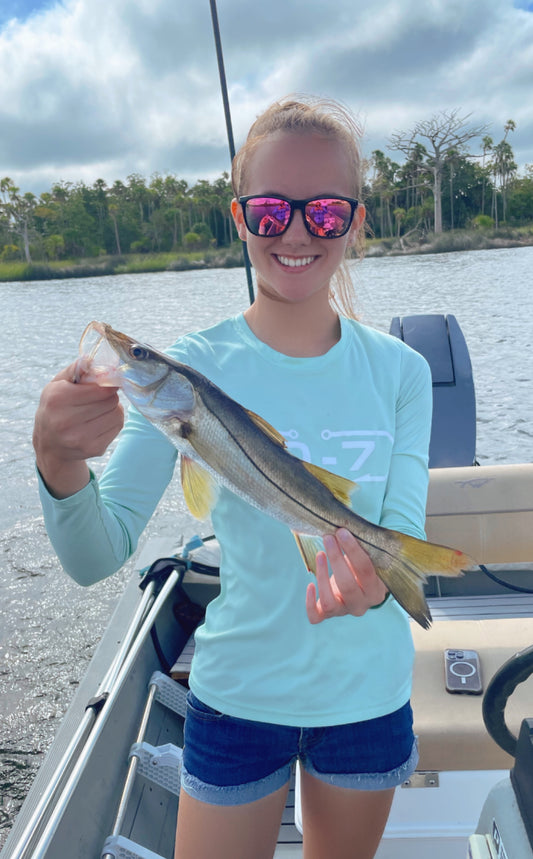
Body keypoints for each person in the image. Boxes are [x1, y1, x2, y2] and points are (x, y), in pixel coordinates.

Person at [33, 95, 433, 859]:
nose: (292, 230)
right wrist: (58, 463)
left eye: (321, 213)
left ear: (353, 221)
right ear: (239, 215)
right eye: (270, 209)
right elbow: (95, 554)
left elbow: (401, 534)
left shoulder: (401, 372)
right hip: (237, 698)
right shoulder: (192, 369)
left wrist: (378, 581)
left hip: (369, 696)